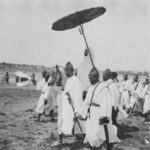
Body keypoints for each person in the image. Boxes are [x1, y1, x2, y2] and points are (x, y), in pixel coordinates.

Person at [79, 68, 120, 148]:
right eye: (89, 79)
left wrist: (104, 116)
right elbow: (86, 102)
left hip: (99, 114)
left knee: (99, 134)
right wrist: (81, 113)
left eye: (91, 79)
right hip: (91, 115)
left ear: (96, 78)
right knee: (91, 134)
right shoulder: (90, 88)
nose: (89, 80)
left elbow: (106, 103)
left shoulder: (103, 88)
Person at [53, 62, 85, 145]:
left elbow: (78, 97)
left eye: (65, 71)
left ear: (69, 70)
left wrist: (77, 110)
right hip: (66, 107)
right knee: (62, 122)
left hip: (72, 108)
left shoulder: (76, 81)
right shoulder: (68, 80)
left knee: (78, 124)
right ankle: (60, 139)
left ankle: (84, 138)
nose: (65, 73)